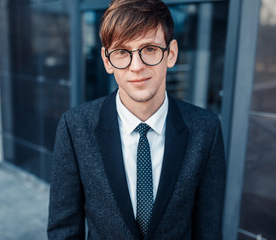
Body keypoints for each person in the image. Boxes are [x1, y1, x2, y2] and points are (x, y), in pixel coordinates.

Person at [47, 0, 226, 239]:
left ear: (171, 54)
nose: (136, 66)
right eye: (122, 52)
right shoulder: (75, 127)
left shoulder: (206, 129)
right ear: (107, 60)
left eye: (150, 49)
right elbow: (64, 230)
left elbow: (209, 230)